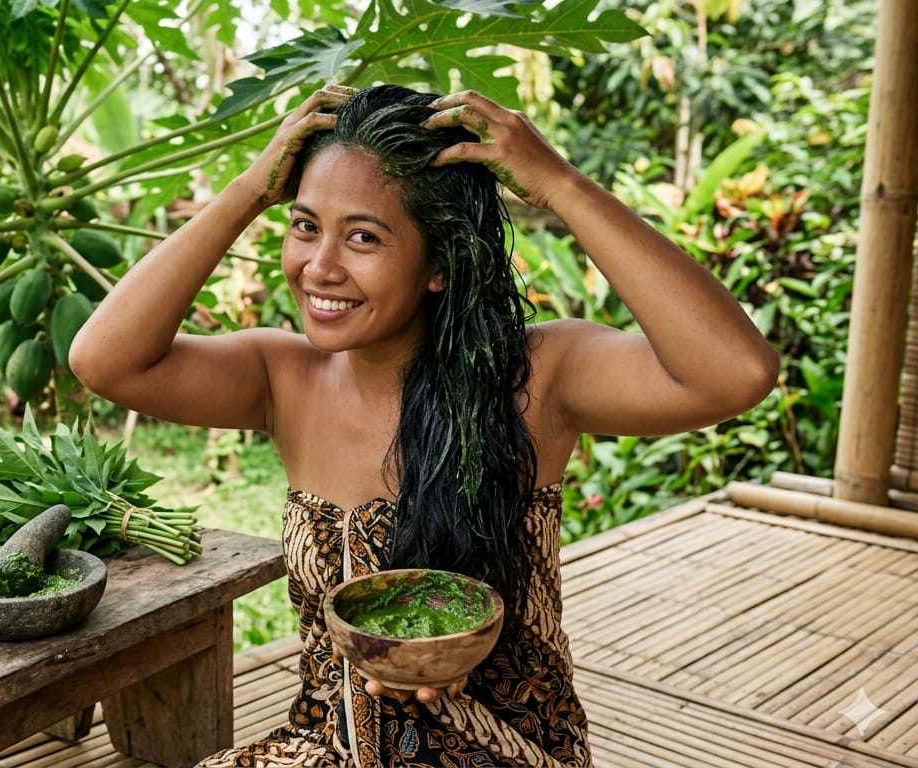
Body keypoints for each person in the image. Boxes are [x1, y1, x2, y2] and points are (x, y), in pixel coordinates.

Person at [68, 83, 778, 767]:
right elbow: (105, 361)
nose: (320, 267)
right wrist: (249, 190)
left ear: (438, 264)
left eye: (364, 238)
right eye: (306, 226)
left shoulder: (536, 377)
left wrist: (560, 185)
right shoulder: (281, 378)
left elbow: (735, 374)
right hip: (326, 749)